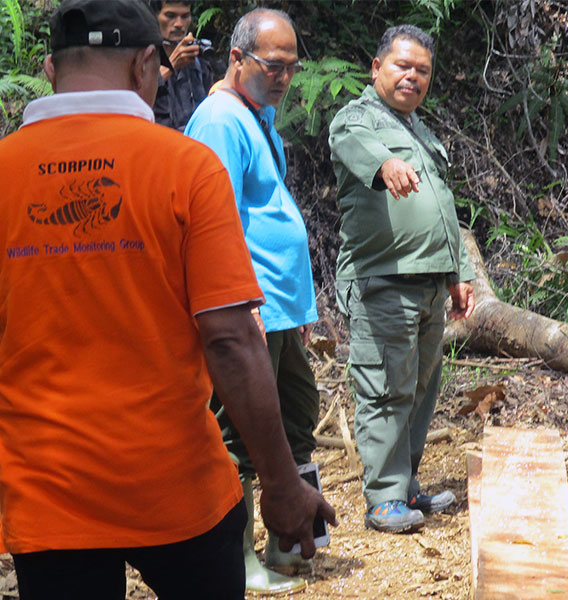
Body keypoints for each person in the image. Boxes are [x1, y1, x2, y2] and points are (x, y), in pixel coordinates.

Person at [0, 0, 335, 599]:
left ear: (51, 69)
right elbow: (230, 338)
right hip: (176, 490)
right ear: (147, 64)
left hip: (47, 495)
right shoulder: (186, 166)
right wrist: (282, 484)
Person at [185, 9, 322, 592]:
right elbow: (218, 223)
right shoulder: (218, 117)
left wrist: (302, 311)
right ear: (237, 60)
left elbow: (271, 213)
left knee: (296, 419)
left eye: (292, 66)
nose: (285, 77)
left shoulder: (256, 114)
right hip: (250, 310)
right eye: (273, 65)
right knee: (237, 434)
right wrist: (240, 303)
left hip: (282, 310)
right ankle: (238, 559)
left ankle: (291, 544)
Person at [328, 24, 475, 534]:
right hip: (383, 283)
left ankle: (406, 485)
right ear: (376, 68)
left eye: (422, 71)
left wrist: (460, 272)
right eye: (402, 66)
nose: (412, 77)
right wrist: (387, 163)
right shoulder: (357, 119)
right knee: (385, 388)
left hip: (431, 282)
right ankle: (383, 499)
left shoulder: (421, 130)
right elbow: (358, 148)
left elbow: (444, 208)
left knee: (420, 389)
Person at [150, 0, 215, 130]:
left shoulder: (199, 61)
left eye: (185, 16)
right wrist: (170, 66)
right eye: (170, 16)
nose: (179, 24)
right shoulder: (142, 59)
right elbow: (131, 99)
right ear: (154, 16)